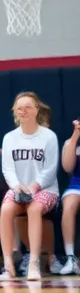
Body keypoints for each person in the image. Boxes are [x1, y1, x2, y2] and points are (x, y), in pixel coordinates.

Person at [0, 92, 60, 281]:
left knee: (34, 209)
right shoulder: (9, 138)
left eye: (27, 107)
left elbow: (50, 169)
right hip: (19, 188)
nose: (23, 111)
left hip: (45, 189)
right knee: (6, 209)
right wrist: (16, 187)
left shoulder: (48, 136)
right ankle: (8, 266)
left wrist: (34, 186)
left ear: (36, 109)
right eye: (19, 108)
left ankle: (33, 263)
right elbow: (7, 168)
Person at [61, 118, 80, 275]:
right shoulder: (70, 142)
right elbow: (68, 167)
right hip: (77, 185)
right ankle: (71, 257)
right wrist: (75, 137)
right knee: (69, 205)